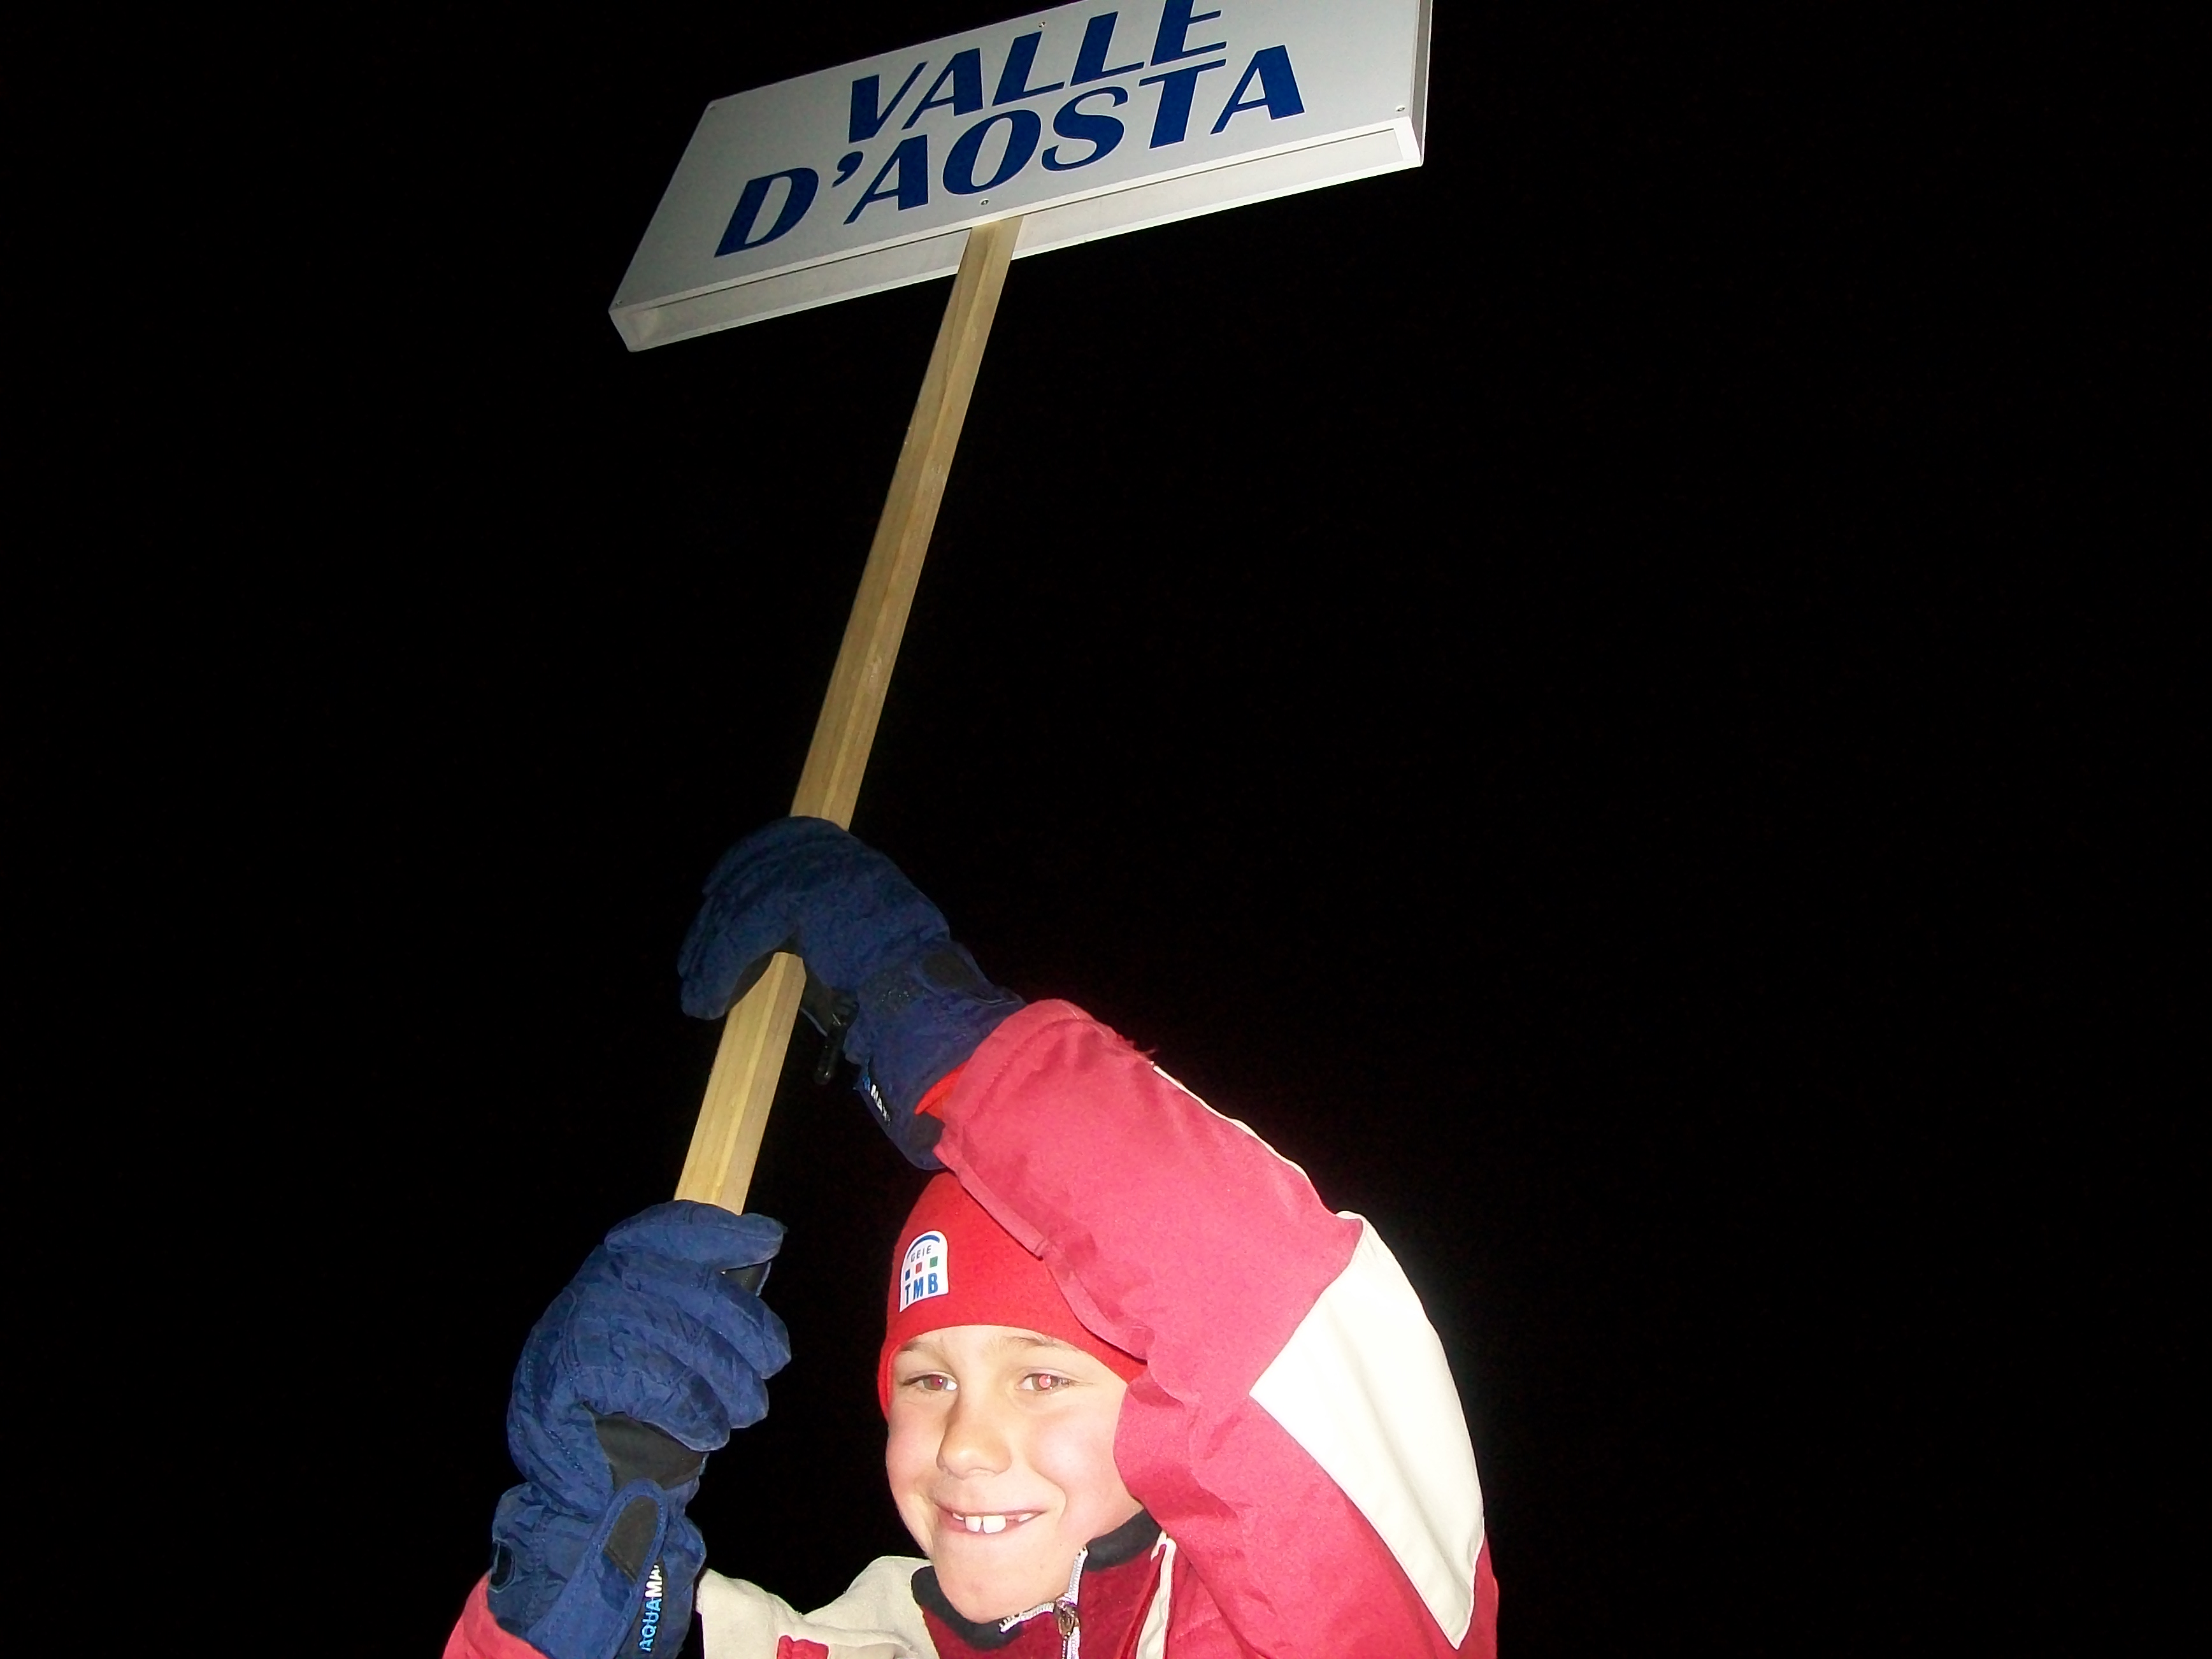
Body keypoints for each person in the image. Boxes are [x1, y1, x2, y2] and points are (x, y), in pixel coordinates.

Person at [446, 819, 1498, 1658]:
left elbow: (1260, 1296)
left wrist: (956, 1047)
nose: (963, 1445)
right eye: (928, 1380)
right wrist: (564, 1584)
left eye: (1042, 1378)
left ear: (1164, 1414)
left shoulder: (1312, 1613)